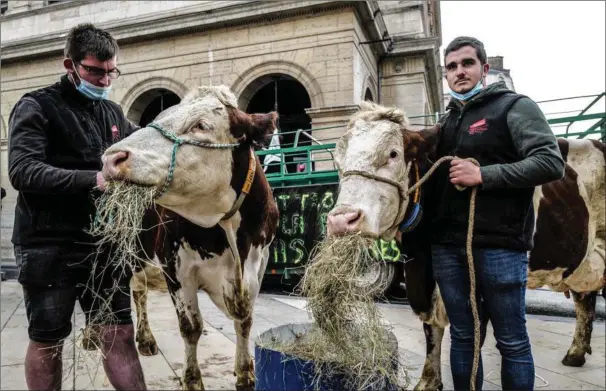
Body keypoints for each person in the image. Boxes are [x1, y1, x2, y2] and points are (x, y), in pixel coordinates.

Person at [8, 23, 146, 391]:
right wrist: (94, 180)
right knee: (48, 339)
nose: (103, 80)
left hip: (103, 244)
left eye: (110, 71)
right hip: (48, 245)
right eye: (94, 71)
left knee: (119, 332)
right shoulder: (37, 106)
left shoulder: (114, 115)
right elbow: (23, 171)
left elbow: (148, 143)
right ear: (70, 65)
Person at [427, 36, 565, 390]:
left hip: (500, 245)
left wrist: (483, 175)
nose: (460, 72)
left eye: (467, 64)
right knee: (463, 336)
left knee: (511, 341)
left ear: (484, 69)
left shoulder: (513, 107)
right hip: (448, 246)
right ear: (445, 75)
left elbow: (550, 162)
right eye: (452, 67)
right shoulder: (446, 122)